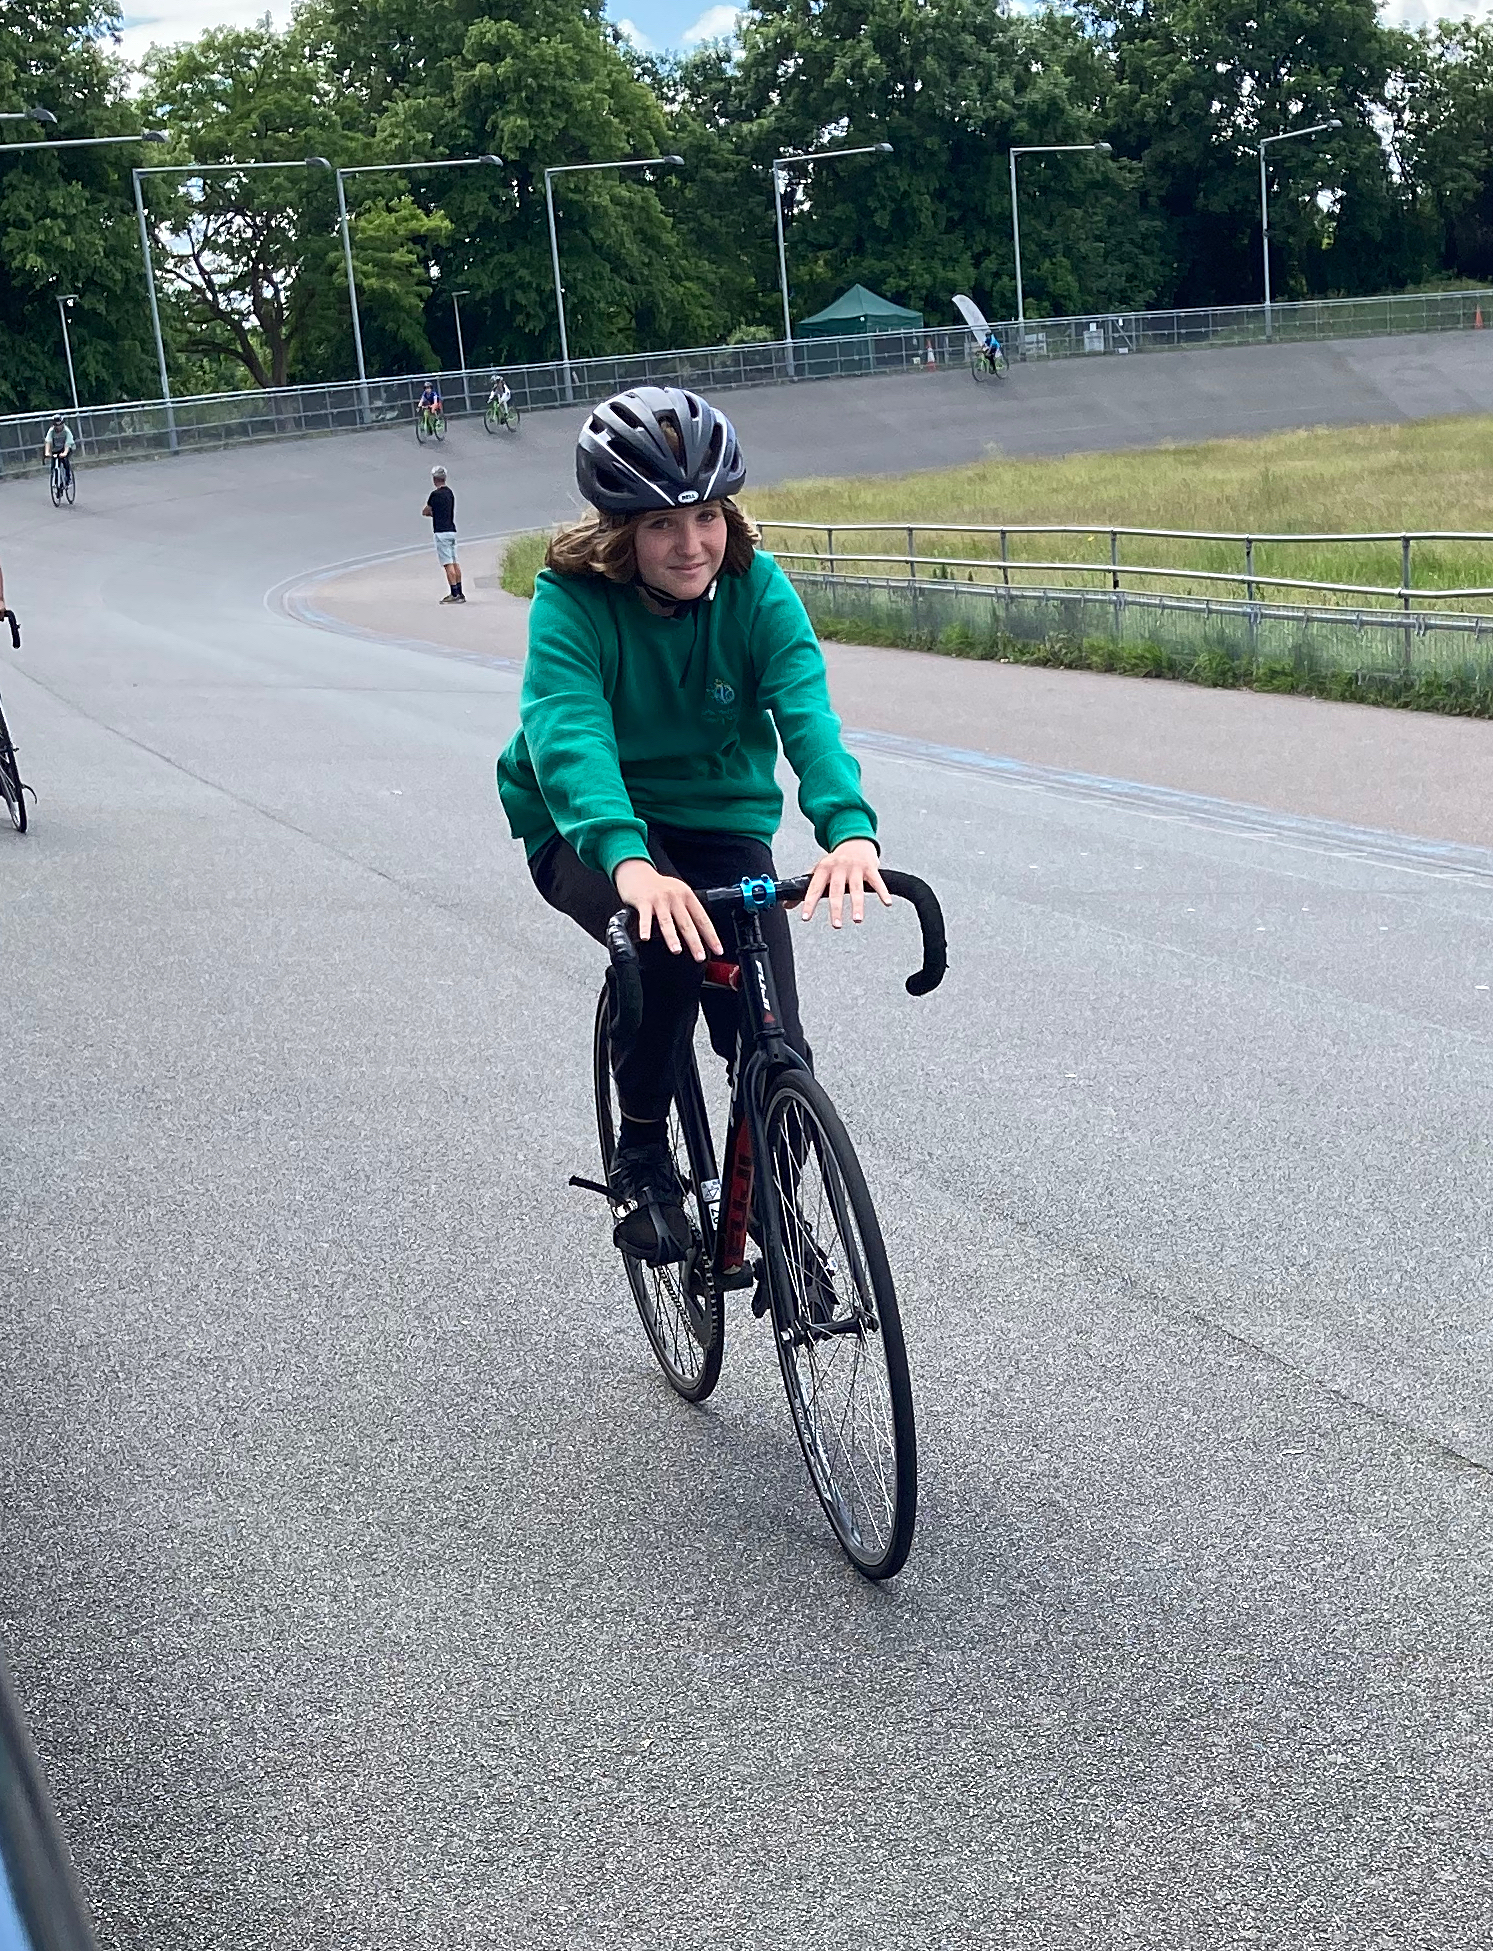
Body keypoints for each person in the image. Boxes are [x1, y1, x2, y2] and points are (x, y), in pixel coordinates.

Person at [496, 386, 889, 1265]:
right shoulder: (570, 600)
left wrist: (849, 830)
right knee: (664, 947)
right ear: (619, 531)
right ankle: (641, 1153)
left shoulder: (755, 585)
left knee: (774, 1036)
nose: (692, 544)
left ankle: (779, 1226)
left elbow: (806, 709)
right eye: (662, 524)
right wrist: (630, 862)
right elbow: (570, 735)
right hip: (584, 824)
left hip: (715, 816)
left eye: (707, 516)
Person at [421, 465, 464, 603]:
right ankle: (460, 592)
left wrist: (434, 514)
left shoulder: (435, 495)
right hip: (451, 530)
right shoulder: (450, 493)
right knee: (455, 562)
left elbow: (425, 511)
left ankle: (454, 593)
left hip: (441, 532)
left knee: (447, 563)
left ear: (434, 479)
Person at [44, 414, 75, 488]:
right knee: (53, 464)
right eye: (56, 425)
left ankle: (68, 479)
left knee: (65, 461)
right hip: (55, 449)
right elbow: (48, 441)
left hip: (66, 448)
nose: (58, 427)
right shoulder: (51, 431)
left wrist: (65, 453)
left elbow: (68, 443)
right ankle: (56, 481)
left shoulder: (66, 431)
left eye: (59, 425)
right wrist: (47, 452)